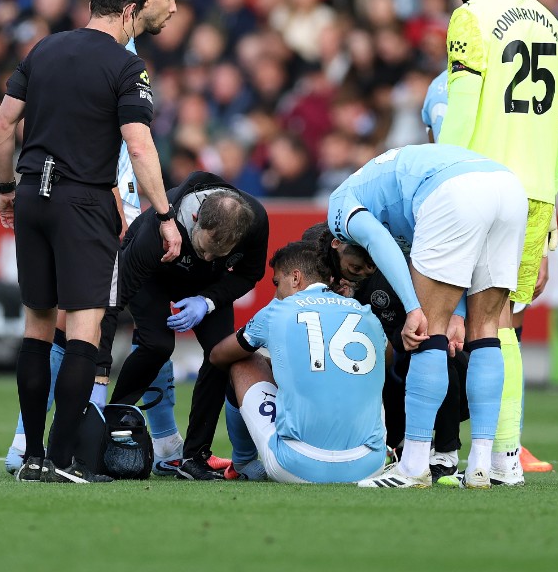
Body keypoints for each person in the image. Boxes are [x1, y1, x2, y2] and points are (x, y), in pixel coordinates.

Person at [0, 0, 182, 483]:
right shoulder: (127, 66)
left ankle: (29, 455)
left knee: (36, 327)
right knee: (83, 330)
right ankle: (61, 459)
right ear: (128, 11)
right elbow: (139, 145)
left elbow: (2, 125)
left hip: (32, 194)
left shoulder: (44, 49)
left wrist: (6, 189)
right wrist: (164, 214)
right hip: (84, 201)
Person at [437, 0, 558, 482]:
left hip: (480, 186)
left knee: (443, 318)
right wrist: (551, 223)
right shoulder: (550, 21)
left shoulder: (469, 20)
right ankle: (505, 454)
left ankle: (432, 453)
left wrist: (434, 181)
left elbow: (462, 115)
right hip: (536, 189)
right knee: (504, 324)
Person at [312, 142, 527, 488]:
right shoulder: (384, 194)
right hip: (508, 188)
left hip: (453, 190)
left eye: (355, 268)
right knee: (486, 329)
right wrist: (458, 313)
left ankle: (412, 467)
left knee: (430, 331)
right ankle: (485, 467)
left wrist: (414, 309)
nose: (366, 270)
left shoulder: (339, 205)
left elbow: (378, 241)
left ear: (336, 243)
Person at [109, 171, 269, 480]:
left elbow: (248, 274)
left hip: (207, 285)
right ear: (196, 217)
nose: (207, 255)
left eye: (216, 254)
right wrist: (97, 367)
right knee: (157, 345)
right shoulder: (160, 225)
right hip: (152, 275)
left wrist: (207, 301)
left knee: (222, 354)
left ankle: (195, 456)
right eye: (203, 247)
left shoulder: (254, 222)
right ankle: (110, 420)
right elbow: (117, 297)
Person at [303, 222, 469, 483]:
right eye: (353, 268)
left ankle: (445, 455)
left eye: (364, 268)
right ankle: (392, 446)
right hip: (365, 365)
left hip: (410, 357)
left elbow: (393, 349)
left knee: (434, 356)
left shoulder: (392, 277)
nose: (355, 275)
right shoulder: (311, 285)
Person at [209, 241, 388, 483]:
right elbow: (383, 362)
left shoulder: (278, 310)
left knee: (242, 360)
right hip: (368, 466)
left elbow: (218, 355)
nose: (276, 294)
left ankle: (243, 463)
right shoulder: (365, 312)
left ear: (295, 278)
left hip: (296, 465)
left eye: (277, 283)